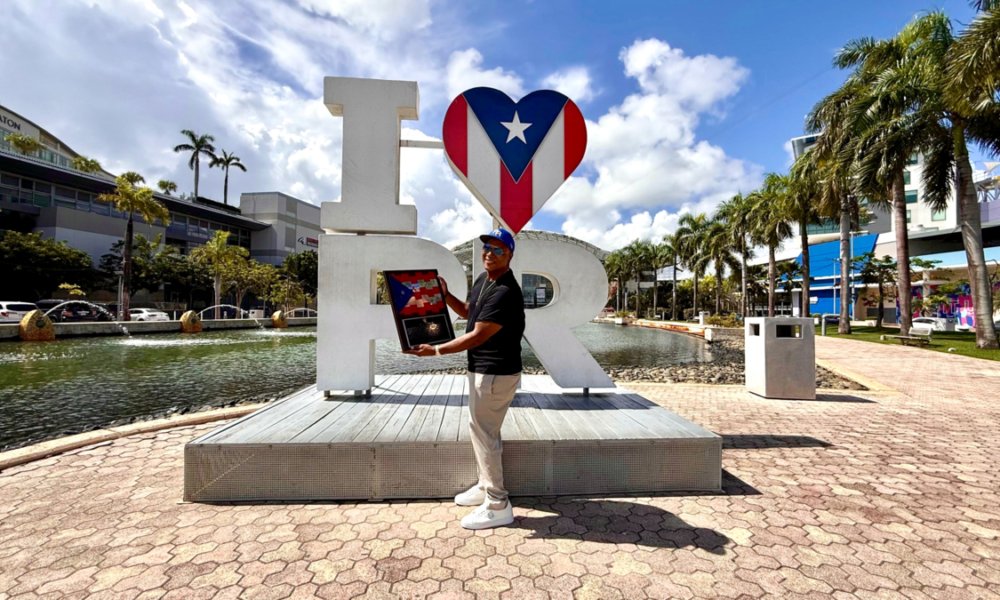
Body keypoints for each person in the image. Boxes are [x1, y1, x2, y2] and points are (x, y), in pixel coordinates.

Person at [406, 227, 524, 529]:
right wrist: (445, 296)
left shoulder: (506, 291)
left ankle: (498, 503)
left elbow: (477, 335)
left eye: (498, 250)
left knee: (486, 435)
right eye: (487, 247)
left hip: (495, 373)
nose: (490, 253)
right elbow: (471, 313)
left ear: (509, 255)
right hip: (482, 371)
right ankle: (486, 486)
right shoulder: (486, 280)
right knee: (481, 431)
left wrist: (434, 352)